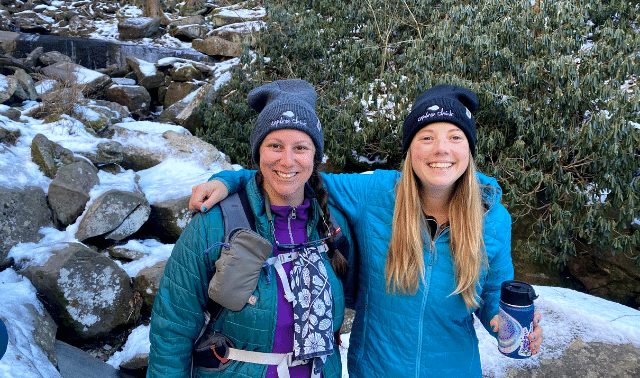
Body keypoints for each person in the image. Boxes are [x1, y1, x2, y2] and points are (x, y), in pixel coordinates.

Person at [189, 84, 543, 377]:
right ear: (409, 150)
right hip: (375, 368)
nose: (442, 149)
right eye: (426, 137)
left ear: (469, 149)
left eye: (455, 137)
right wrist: (229, 179)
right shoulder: (377, 193)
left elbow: (494, 291)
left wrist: (503, 321)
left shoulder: (492, 217)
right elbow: (296, 174)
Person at [148, 79, 356, 378]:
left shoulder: (331, 223)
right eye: (274, 146)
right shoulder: (215, 224)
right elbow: (173, 326)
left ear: (315, 156)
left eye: (300, 147)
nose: (287, 160)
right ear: (258, 153)